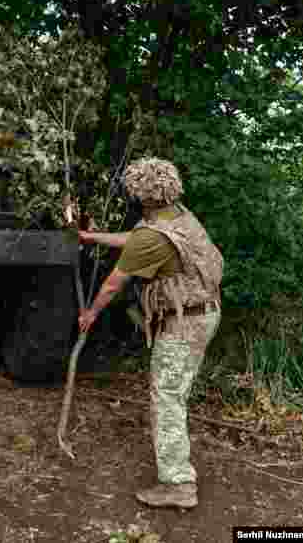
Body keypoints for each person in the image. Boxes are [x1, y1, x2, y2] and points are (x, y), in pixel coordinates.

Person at [77, 157, 223, 509]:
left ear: (139, 195)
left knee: (168, 399)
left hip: (183, 322)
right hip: (204, 312)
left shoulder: (152, 236)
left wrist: (90, 313)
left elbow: (114, 283)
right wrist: (94, 236)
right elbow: (137, 239)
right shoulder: (178, 216)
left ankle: (178, 484)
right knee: (174, 394)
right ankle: (177, 470)